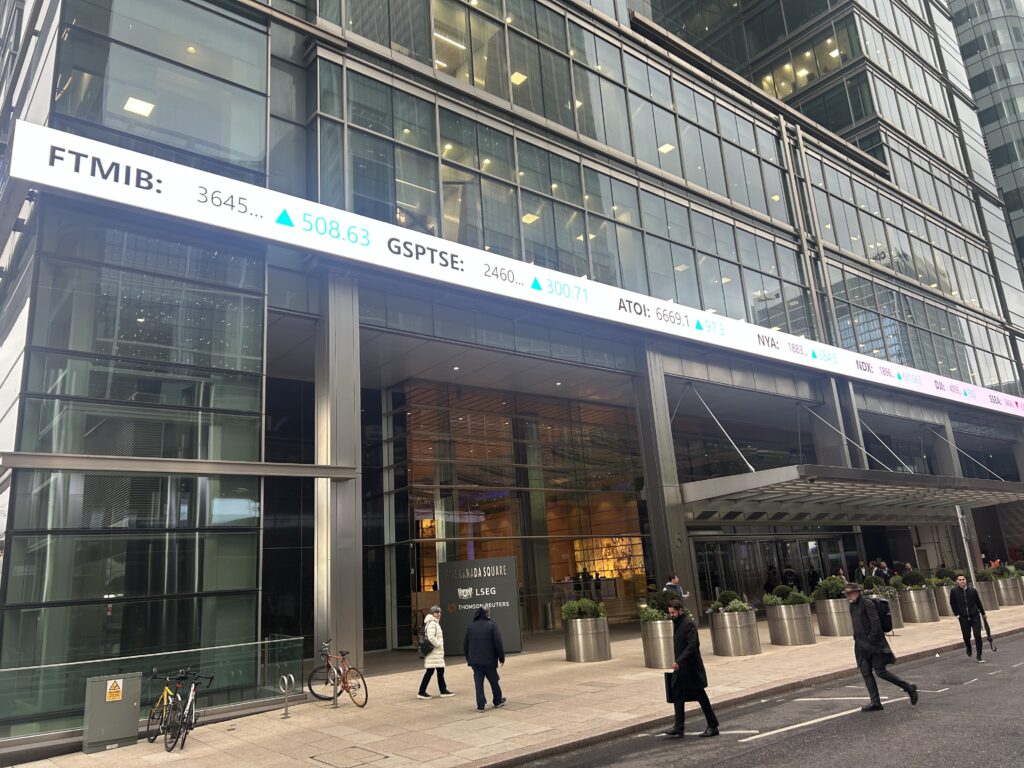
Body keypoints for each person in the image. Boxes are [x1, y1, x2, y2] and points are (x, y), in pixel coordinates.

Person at [845, 582, 918, 711]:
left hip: (874, 645)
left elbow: (875, 624)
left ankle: (908, 687)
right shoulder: (852, 606)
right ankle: (875, 702)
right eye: (847, 594)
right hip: (860, 645)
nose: (848, 596)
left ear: (857, 592)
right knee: (866, 673)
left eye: (849, 593)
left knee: (881, 672)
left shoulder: (867, 603)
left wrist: (870, 640)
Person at [663, 599, 719, 739]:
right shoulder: (678, 623)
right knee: (677, 694)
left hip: (691, 669)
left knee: (701, 696)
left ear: (680, 610)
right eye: (670, 613)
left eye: (673, 612)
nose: (672, 615)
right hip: (682, 669)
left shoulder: (689, 624)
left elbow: (693, 646)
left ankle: (713, 726)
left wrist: (679, 661)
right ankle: (679, 727)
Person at [463, 607, 506, 712]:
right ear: (487, 614)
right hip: (489, 660)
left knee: (478, 683)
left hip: (475, 661)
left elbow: (466, 644)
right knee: (494, 680)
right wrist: (501, 657)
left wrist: (469, 659)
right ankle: (497, 700)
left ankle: (480, 705)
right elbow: (498, 643)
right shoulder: (492, 625)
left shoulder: (471, 626)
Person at [417, 606, 455, 699]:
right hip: (434, 652)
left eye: (439, 612)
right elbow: (430, 637)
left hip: (435, 653)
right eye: (436, 612)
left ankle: (443, 690)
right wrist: (438, 644)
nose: (438, 614)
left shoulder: (434, 623)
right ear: (431, 613)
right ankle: (422, 692)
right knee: (430, 672)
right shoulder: (432, 623)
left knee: (439, 671)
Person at [949, 574, 987, 663]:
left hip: (975, 616)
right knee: (966, 636)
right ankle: (968, 646)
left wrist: (983, 613)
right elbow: (952, 603)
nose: (962, 581)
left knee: (977, 636)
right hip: (963, 617)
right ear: (957, 581)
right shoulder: (954, 591)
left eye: (963, 579)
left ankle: (979, 656)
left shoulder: (973, 591)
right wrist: (957, 615)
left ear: (966, 580)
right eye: (960, 580)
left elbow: (978, 602)